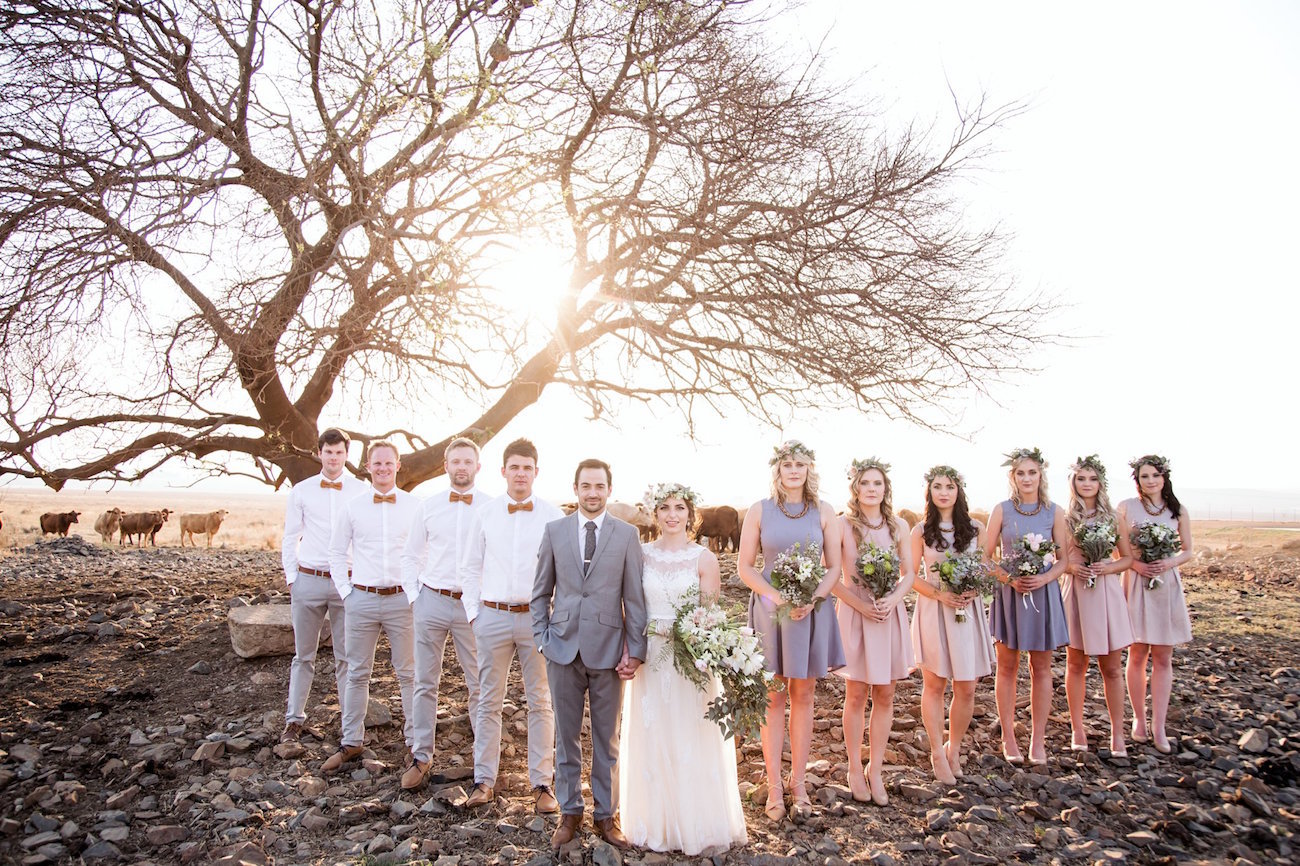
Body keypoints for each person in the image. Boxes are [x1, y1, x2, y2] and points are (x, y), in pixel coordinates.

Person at [617, 483, 747, 855]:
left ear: (691, 514)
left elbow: (709, 612)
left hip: (690, 655)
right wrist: (632, 645)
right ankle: (653, 821)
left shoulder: (703, 558)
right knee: (652, 729)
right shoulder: (639, 555)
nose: (672, 514)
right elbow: (629, 605)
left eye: (679, 507)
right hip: (650, 655)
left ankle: (696, 823)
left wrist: (693, 640)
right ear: (655, 514)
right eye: (664, 508)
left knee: (691, 733)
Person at [533, 458, 647, 850]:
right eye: (586, 486)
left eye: (599, 486)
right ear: (576, 488)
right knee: (565, 738)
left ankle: (605, 815)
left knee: (607, 739)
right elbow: (540, 593)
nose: (593, 493)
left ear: (609, 489)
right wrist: (542, 638)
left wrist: (636, 650)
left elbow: (634, 598)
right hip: (561, 649)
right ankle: (569, 812)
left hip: (609, 652)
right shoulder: (554, 531)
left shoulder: (627, 535)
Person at [738, 440, 844, 822]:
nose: (794, 470)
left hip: (810, 612)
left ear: (809, 469)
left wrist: (812, 598)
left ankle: (799, 783)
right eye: (787, 464)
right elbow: (745, 567)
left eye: (801, 463)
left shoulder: (824, 511)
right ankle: (774, 786)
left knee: (804, 693)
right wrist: (778, 596)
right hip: (771, 610)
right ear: (777, 470)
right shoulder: (759, 510)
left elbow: (834, 567)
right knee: (773, 695)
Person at [461, 438, 564, 812]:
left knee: (540, 701)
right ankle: (483, 780)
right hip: (492, 616)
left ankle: (541, 783)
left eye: (527, 467)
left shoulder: (553, 516)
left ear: (536, 472)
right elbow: (470, 567)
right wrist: (474, 614)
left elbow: (563, 572)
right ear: (503, 471)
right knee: (488, 700)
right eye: (514, 467)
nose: (521, 474)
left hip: (536, 620)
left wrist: (555, 618)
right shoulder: (484, 513)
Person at [321, 440, 422, 775]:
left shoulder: (414, 506)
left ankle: (415, 743)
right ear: (367, 466)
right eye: (376, 464)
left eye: (388, 463)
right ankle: (351, 741)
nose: (382, 469)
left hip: (400, 601)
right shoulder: (352, 506)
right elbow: (336, 553)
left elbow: (424, 552)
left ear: (398, 465)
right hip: (360, 598)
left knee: (409, 673)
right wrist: (347, 593)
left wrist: (414, 593)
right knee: (355, 672)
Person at [398, 436, 489, 790]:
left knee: (480, 684)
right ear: (446, 466)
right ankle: (421, 756)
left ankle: (484, 764)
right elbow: (410, 555)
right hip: (431, 600)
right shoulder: (428, 506)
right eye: (456, 461)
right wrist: (414, 598)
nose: (462, 467)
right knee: (425, 682)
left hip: (473, 605)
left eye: (468, 462)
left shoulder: (492, 507)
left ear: (477, 467)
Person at [834, 458, 914, 805]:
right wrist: (860, 604)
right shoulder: (841, 525)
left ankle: (876, 769)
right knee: (856, 694)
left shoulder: (899, 526)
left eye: (877, 483)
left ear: (885, 488)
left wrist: (894, 599)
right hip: (856, 611)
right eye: (865, 483)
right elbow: (830, 578)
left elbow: (909, 573)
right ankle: (854, 767)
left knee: (885, 694)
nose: (871, 489)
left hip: (889, 614)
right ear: (855, 488)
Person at [280, 428, 367, 744]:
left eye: (339, 453)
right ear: (319, 453)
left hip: (347, 583)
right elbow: (290, 537)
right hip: (309, 580)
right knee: (303, 656)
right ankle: (294, 720)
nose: (334, 458)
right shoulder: (301, 491)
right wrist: (293, 579)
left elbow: (365, 538)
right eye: (328, 452)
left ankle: (349, 727)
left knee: (347, 657)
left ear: (347, 454)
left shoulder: (360, 490)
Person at [908, 465, 993, 786]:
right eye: (938, 486)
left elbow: (984, 568)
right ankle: (935, 752)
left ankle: (954, 747)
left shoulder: (975, 529)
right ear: (929, 492)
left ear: (959, 491)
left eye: (950, 486)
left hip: (967, 614)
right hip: (934, 610)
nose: (944, 491)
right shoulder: (920, 532)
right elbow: (910, 576)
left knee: (967, 687)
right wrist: (941, 594)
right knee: (935, 684)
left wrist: (974, 586)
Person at [984, 447, 1070, 766]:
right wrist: (1008, 578)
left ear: (1040, 475)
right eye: (1020, 473)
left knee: (1041, 668)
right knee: (1007, 667)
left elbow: (1064, 560)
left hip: (1043, 594)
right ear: (1012, 477)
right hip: (1010, 592)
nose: (1027, 478)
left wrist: (1045, 579)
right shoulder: (1001, 510)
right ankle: (1008, 736)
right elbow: (984, 556)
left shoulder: (1055, 512)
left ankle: (1037, 740)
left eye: (1032, 472)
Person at [1117, 454, 1193, 754]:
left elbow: (1188, 550)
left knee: (1163, 656)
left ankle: (1159, 725)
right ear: (1138, 480)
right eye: (1144, 476)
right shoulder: (1126, 508)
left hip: (1165, 585)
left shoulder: (1178, 510)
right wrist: (1135, 565)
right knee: (1136, 653)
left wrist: (1168, 562)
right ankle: (1138, 718)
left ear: (1164, 478)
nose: (1150, 481)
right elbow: (1116, 549)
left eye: (1155, 476)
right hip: (1137, 582)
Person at [1062, 455, 1134, 756]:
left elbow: (1128, 559)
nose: (1087, 484)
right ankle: (1077, 729)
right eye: (1081, 479)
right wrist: (1072, 567)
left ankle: (1118, 733)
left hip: (1106, 593)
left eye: (1092, 479)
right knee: (1075, 664)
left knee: (1112, 668)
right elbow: (1058, 560)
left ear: (1100, 483)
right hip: (1077, 592)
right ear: (1074, 483)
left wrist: (1109, 567)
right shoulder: (1065, 519)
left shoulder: (1113, 517)